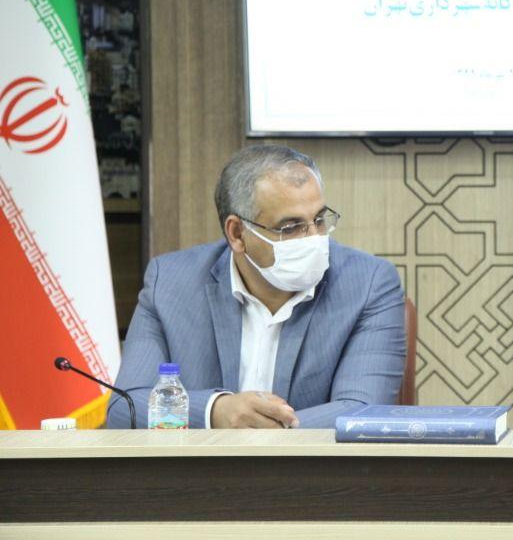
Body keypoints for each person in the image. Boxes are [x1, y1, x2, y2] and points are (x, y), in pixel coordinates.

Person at [107, 145, 405, 429]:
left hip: (310, 465)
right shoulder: (171, 282)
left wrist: (263, 431)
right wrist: (215, 410)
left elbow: (362, 409)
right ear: (237, 233)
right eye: (291, 227)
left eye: (319, 220)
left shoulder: (368, 284)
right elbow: (124, 407)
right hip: (203, 465)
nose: (313, 238)